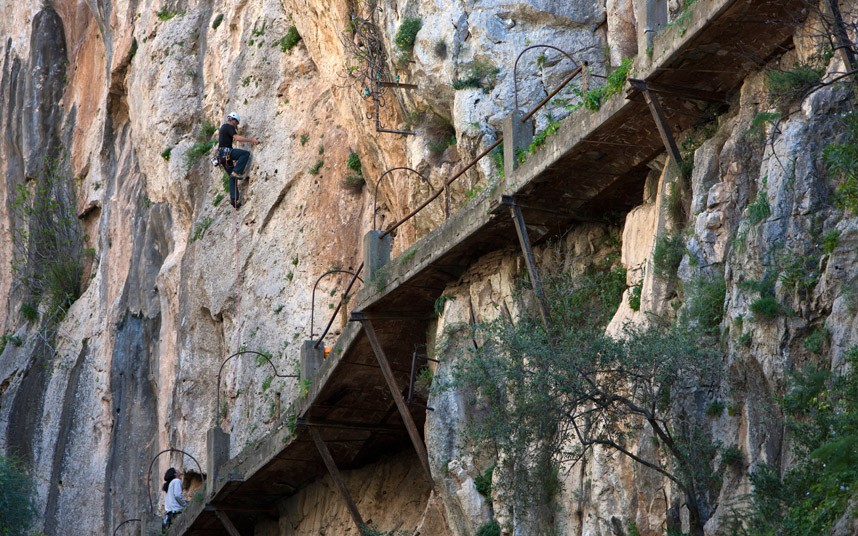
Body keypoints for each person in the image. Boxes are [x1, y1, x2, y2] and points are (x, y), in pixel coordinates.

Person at [217, 112, 260, 208]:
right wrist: (251, 140)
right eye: (236, 123)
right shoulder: (229, 126)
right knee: (245, 154)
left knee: (232, 177)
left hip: (222, 156)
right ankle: (237, 171)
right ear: (233, 120)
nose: (236, 125)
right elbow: (237, 138)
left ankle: (234, 200)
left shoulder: (223, 128)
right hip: (226, 152)